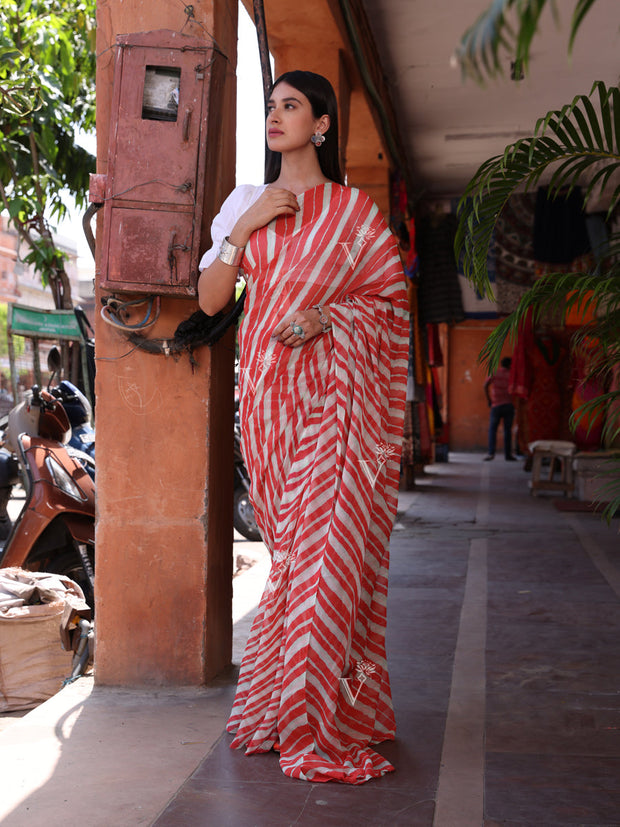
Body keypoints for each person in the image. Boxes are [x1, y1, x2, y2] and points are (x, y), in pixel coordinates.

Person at [197, 70, 408, 784]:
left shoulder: (355, 214)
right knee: (293, 557)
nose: (275, 116)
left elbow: (387, 302)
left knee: (324, 561)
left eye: (291, 106)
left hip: (338, 404)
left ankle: (312, 718)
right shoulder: (246, 203)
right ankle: (283, 704)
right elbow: (209, 296)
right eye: (270, 106)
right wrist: (247, 230)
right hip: (265, 401)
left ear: (322, 124)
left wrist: (330, 317)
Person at [483, 356, 516, 461]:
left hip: (496, 405)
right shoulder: (513, 375)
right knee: (507, 431)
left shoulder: (494, 372)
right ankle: (508, 455)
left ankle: (491, 453)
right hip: (509, 405)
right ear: (510, 365)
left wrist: (489, 399)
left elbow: (485, 385)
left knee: (492, 430)